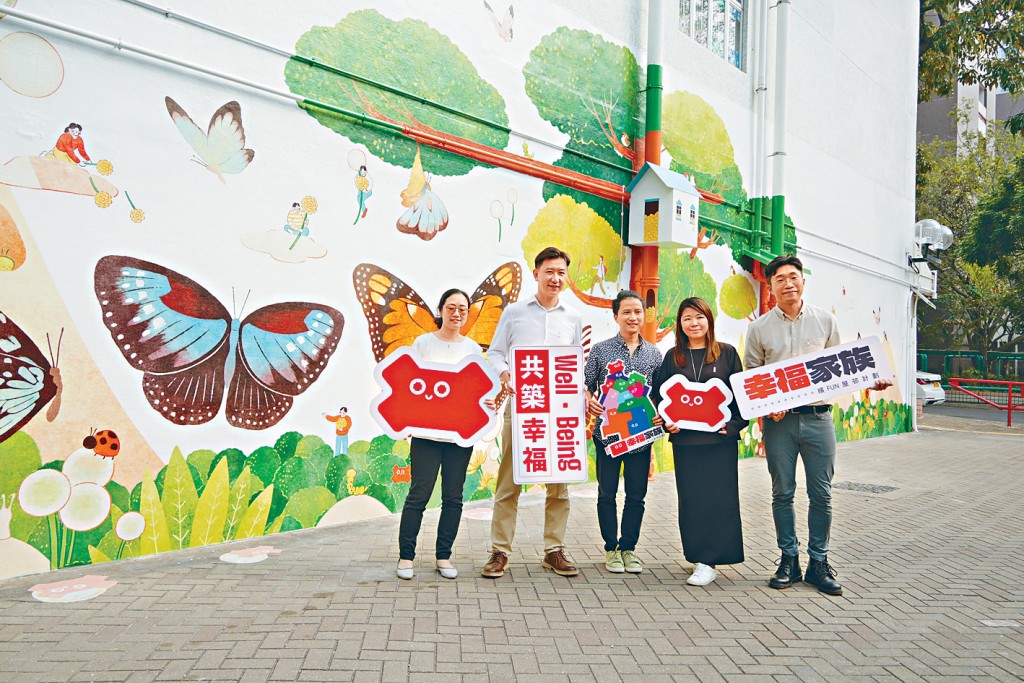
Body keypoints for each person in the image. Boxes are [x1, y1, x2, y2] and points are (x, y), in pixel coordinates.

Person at [745, 254, 892, 596]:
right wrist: (767, 407)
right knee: (782, 492)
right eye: (779, 279)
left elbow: (838, 372)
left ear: (803, 281)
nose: (787, 283)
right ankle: (788, 559)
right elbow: (753, 377)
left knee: (822, 494)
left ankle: (818, 563)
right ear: (771, 285)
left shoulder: (825, 321)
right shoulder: (759, 328)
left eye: (793, 276)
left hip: (818, 419)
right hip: (779, 425)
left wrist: (870, 381)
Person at [482, 246, 583, 578]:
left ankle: (554, 549)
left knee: (559, 482)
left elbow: (575, 364)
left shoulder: (572, 316)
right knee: (510, 480)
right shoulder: (514, 313)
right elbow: (496, 353)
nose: (555, 278)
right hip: (522, 407)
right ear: (536, 272)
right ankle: (499, 551)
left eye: (561, 273)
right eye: (549, 271)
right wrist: (506, 374)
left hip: (561, 410)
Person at [396, 289, 496, 580]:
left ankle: (443, 556)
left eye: (462, 309)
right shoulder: (423, 343)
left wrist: (486, 401)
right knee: (419, 495)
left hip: (459, 438)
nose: (456, 313)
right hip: (426, 436)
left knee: (453, 498)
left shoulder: (473, 349)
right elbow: (409, 383)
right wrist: (406, 420)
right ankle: (406, 556)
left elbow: (478, 388)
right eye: (451, 307)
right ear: (440, 310)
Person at [653, 297, 747, 586]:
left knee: (720, 500)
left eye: (699, 317)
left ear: (709, 320)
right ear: (680, 325)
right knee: (691, 501)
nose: (693, 323)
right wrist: (665, 420)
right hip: (686, 444)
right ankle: (697, 556)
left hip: (719, 443)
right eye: (687, 319)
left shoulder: (727, 354)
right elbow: (658, 396)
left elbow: (743, 397)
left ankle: (710, 560)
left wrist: (732, 427)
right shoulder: (672, 357)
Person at [584, 290, 663, 574]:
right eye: (626, 312)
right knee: (607, 493)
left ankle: (629, 548)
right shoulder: (601, 351)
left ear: (644, 315)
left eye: (638, 312)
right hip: (608, 437)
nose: (633, 317)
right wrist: (589, 400)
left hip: (641, 439)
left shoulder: (655, 354)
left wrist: (659, 413)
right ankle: (610, 549)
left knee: (636, 495)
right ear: (615, 316)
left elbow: (661, 395)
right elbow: (585, 384)